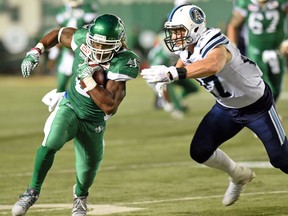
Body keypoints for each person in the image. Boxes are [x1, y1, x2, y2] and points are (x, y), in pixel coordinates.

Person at [141, 4, 288, 206]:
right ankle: (238, 175)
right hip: (227, 107)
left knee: (282, 160)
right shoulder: (187, 46)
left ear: (193, 29)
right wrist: (171, 75)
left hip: (256, 106)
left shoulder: (213, 41)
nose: (174, 37)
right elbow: (185, 60)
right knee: (200, 151)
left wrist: (173, 73)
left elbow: (214, 64)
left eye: (178, 31)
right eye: (173, 32)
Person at [12, 14, 139, 216]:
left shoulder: (125, 61)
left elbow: (109, 106)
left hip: (94, 120)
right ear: (89, 38)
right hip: (71, 105)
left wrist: (88, 80)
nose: (98, 50)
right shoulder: (81, 38)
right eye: (95, 44)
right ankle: (31, 192)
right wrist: (36, 51)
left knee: (88, 170)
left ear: (118, 45)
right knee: (51, 142)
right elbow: (58, 34)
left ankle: (80, 197)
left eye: (104, 46)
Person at [226, 0, 288, 102]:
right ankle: (266, 112)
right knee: (264, 85)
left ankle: (271, 108)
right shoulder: (245, 3)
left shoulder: (281, 2)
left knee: (277, 88)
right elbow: (233, 25)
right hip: (255, 51)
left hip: (277, 50)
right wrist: (232, 47)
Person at [47, 0, 99, 92]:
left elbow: (93, 31)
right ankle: (60, 104)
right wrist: (53, 55)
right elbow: (59, 33)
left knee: (86, 86)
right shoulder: (63, 10)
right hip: (66, 52)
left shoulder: (87, 9)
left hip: (84, 51)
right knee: (61, 84)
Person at [147, 32, 199, 118]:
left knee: (192, 88)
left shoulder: (182, 50)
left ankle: (176, 101)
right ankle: (176, 108)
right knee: (167, 86)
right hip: (158, 77)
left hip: (173, 72)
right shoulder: (161, 57)